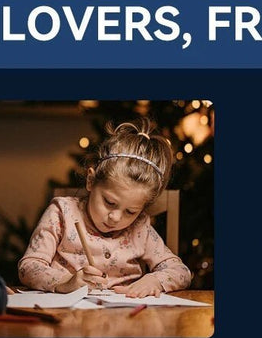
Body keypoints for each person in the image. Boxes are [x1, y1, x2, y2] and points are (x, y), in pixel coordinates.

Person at [17, 118, 191, 297]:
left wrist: (155, 280)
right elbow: (29, 267)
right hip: (67, 316)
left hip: (125, 318)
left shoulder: (140, 227)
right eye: (109, 202)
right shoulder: (62, 213)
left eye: (130, 211)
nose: (115, 217)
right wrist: (64, 283)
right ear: (91, 180)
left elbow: (182, 272)